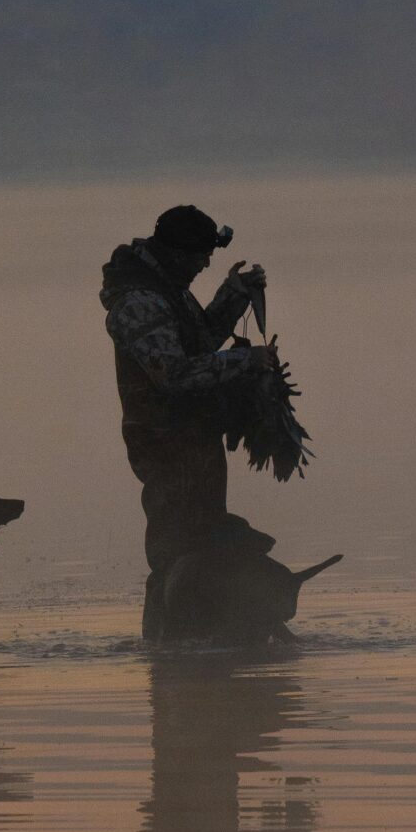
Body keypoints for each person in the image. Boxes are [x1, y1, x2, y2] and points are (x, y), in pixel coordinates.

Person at [100, 204, 278, 640]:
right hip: (164, 444)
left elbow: (198, 343)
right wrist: (246, 360)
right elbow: (174, 374)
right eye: (202, 255)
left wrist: (234, 294)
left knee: (201, 538)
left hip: (192, 440)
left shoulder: (167, 288)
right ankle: (167, 645)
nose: (206, 264)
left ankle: (192, 647)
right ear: (178, 253)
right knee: (176, 548)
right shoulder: (140, 302)